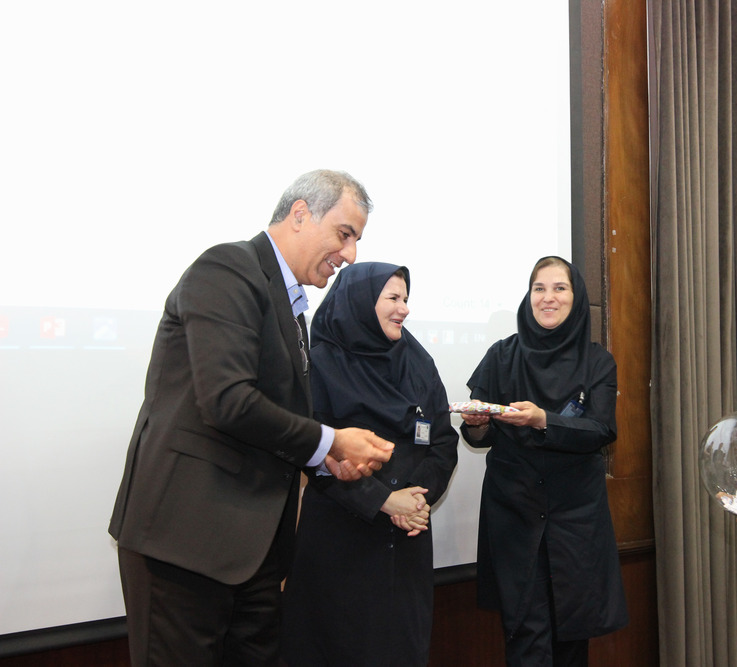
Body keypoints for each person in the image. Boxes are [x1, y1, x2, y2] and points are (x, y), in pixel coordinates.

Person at [108, 169, 395, 667]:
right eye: (344, 234)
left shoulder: (295, 308)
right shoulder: (228, 268)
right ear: (300, 214)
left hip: (255, 555)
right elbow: (228, 401)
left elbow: (276, 421)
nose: (350, 255)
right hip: (184, 542)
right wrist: (330, 442)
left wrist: (326, 461)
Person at [280, 262, 459, 666]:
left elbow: (443, 440)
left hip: (407, 541)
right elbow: (315, 454)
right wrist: (383, 500)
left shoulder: (418, 360)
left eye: (406, 298)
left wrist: (415, 500)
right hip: (341, 542)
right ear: (360, 302)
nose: (404, 308)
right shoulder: (319, 363)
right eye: (393, 298)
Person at [460, 256, 628, 667]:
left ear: (576, 297)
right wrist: (477, 424)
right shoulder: (501, 355)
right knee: (524, 636)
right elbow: (478, 436)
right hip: (514, 516)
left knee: (571, 637)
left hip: (575, 522)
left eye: (559, 288)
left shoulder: (597, 361)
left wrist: (543, 420)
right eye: (539, 288)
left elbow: (601, 430)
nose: (548, 298)